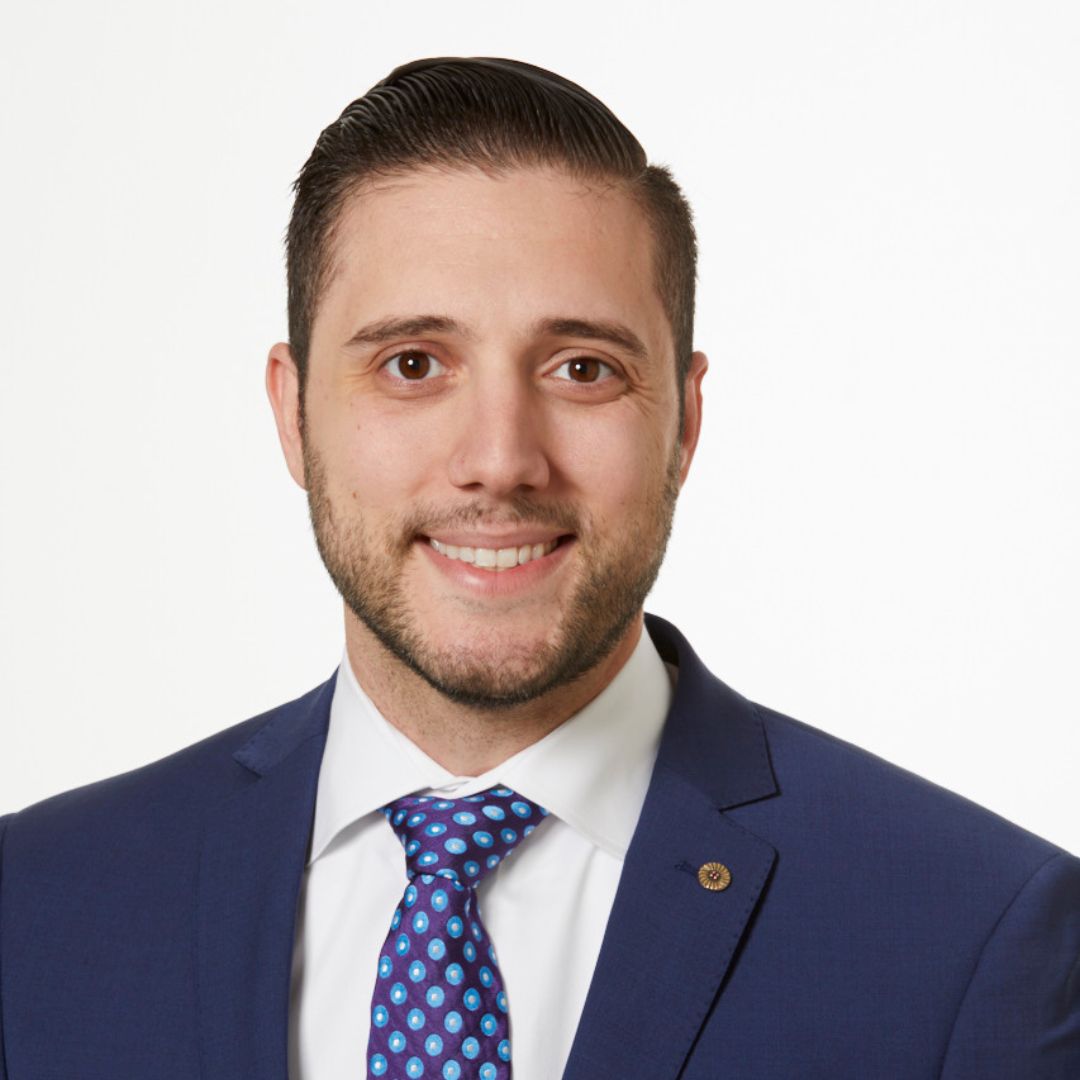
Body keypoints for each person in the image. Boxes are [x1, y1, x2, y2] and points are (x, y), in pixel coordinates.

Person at [0, 55, 1076, 1080]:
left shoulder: (974, 939)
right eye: (412, 364)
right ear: (293, 414)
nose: (501, 459)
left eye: (582, 369)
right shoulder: (35, 908)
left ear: (684, 422)